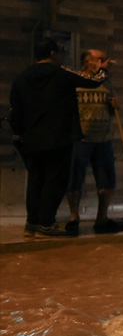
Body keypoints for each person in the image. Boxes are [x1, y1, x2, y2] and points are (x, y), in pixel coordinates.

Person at [8, 36, 108, 238]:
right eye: (62, 52)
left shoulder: (21, 77)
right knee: (55, 180)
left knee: (36, 180)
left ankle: (32, 223)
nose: (64, 56)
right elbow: (93, 81)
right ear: (53, 54)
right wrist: (103, 68)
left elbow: (15, 110)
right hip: (57, 137)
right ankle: (47, 224)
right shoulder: (60, 73)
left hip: (31, 139)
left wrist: (18, 132)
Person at [65, 48, 123, 236]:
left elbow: (113, 104)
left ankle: (102, 219)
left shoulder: (106, 82)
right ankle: (74, 217)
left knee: (107, 180)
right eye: (100, 59)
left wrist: (115, 104)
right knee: (74, 179)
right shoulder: (76, 81)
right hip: (80, 138)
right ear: (88, 61)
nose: (105, 62)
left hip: (103, 138)